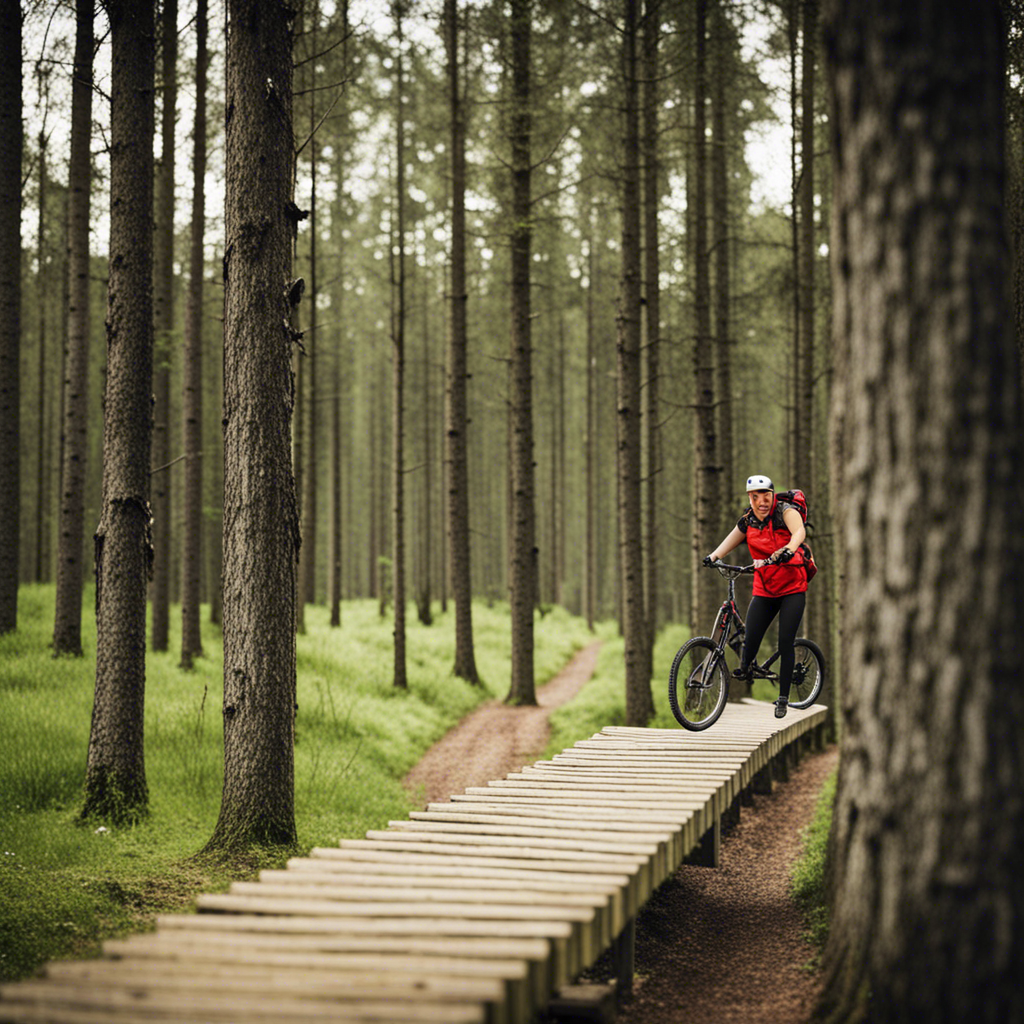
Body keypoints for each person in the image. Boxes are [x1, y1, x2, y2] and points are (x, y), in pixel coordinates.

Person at [703, 474, 809, 719]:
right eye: (755, 497)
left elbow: (799, 532)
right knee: (751, 636)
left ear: (773, 495)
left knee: (785, 641)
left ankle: (783, 698)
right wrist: (713, 557)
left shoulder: (785, 512)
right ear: (750, 498)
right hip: (765, 588)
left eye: (766, 495)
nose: (762, 501)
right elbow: (731, 539)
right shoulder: (748, 521)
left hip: (793, 586)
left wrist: (789, 550)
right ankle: (746, 669)